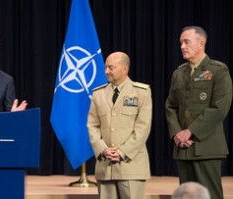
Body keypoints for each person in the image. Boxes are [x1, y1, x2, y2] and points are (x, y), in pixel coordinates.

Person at [165, 26, 232, 199]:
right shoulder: (178, 73)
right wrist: (177, 134)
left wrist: (190, 131)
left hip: (206, 146)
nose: (182, 46)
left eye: (186, 42)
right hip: (183, 147)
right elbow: (170, 106)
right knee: (186, 195)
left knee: (210, 195)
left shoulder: (218, 70)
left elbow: (219, 108)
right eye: (181, 43)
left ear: (201, 43)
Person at [87, 52, 152, 199]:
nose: (106, 71)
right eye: (105, 67)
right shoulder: (98, 94)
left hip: (131, 166)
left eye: (111, 67)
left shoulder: (141, 92)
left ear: (125, 69)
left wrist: (122, 152)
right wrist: (102, 149)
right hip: (105, 166)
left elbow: (143, 127)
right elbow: (92, 125)